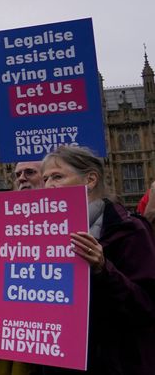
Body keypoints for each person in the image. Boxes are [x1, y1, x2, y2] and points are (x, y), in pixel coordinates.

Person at [41, 145, 155, 374]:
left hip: (115, 362)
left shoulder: (129, 230)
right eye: (45, 179)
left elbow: (146, 306)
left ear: (90, 180)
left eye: (57, 176)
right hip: (64, 361)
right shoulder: (41, 235)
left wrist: (103, 269)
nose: (47, 185)